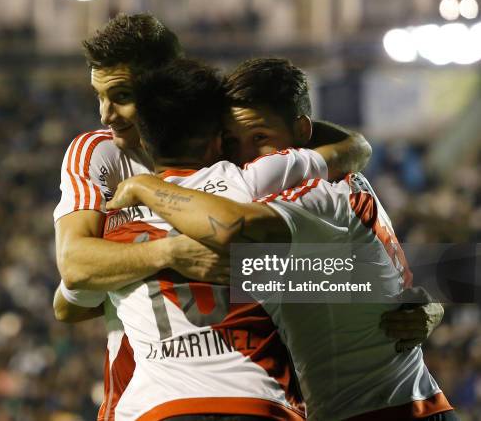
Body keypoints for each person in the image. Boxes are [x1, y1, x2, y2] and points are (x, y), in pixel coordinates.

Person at [53, 14, 373, 420]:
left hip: (231, 392)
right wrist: (171, 254)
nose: (106, 114)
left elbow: (72, 298)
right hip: (161, 394)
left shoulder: (228, 141)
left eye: (120, 96)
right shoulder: (100, 154)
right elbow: (74, 267)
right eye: (98, 96)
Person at [107, 58, 454, 421]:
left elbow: (231, 225)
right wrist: (422, 304)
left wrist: (145, 187)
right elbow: (340, 276)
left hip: (388, 411)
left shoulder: (318, 196)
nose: (244, 157)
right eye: (231, 141)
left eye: (260, 139)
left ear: (302, 133)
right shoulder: (322, 190)